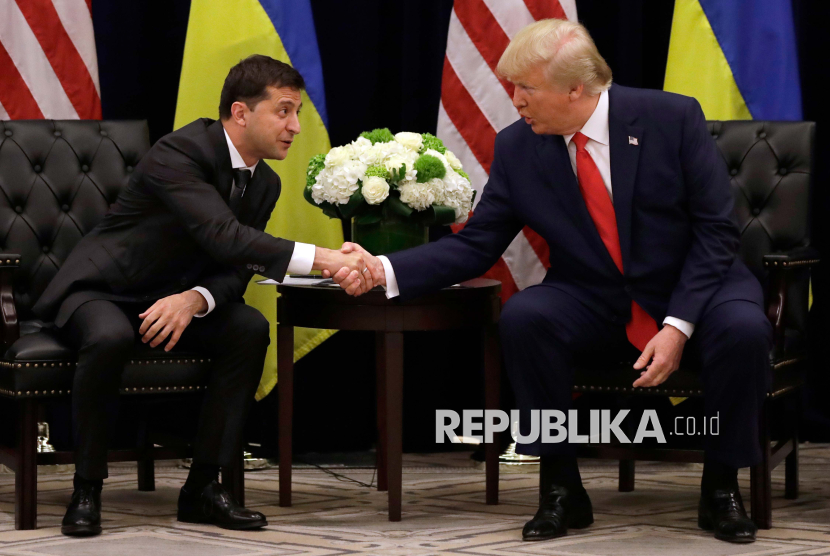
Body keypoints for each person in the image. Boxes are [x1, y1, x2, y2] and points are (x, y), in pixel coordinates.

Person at [329, 20, 771, 544]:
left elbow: (717, 232)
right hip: (596, 296)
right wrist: (384, 268)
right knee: (526, 317)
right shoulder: (519, 147)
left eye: (527, 89)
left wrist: (677, 325)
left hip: (696, 286)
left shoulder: (671, 118)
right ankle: (561, 487)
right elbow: (477, 244)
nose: (516, 100)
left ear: (575, 89)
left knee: (744, 328)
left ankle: (721, 487)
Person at [33, 54, 365, 537]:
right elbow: (225, 236)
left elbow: (238, 268)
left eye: (297, 113)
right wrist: (329, 259)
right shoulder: (180, 151)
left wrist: (194, 299)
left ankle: (204, 489)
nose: (295, 126)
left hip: (175, 297)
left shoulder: (264, 183)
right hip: (106, 289)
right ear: (241, 112)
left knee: (248, 328)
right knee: (108, 337)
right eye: (284, 111)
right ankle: (86, 489)